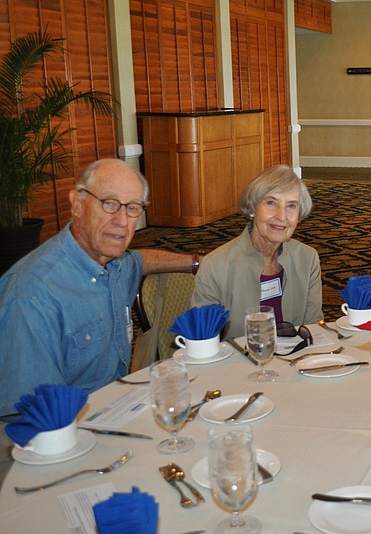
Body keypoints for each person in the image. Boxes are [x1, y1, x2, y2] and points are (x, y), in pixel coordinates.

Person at [0, 159, 198, 416]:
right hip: (63, 430)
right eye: (109, 204)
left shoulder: (115, 263)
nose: (122, 221)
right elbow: (31, 414)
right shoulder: (32, 297)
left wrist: (196, 262)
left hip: (117, 408)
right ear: (77, 204)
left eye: (133, 208)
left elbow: (140, 260)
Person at [192, 165, 323, 338]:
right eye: (271, 203)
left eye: (291, 206)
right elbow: (203, 340)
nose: (281, 216)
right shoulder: (216, 265)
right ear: (253, 207)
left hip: (295, 359)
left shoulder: (307, 258)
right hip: (236, 362)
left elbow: (312, 328)